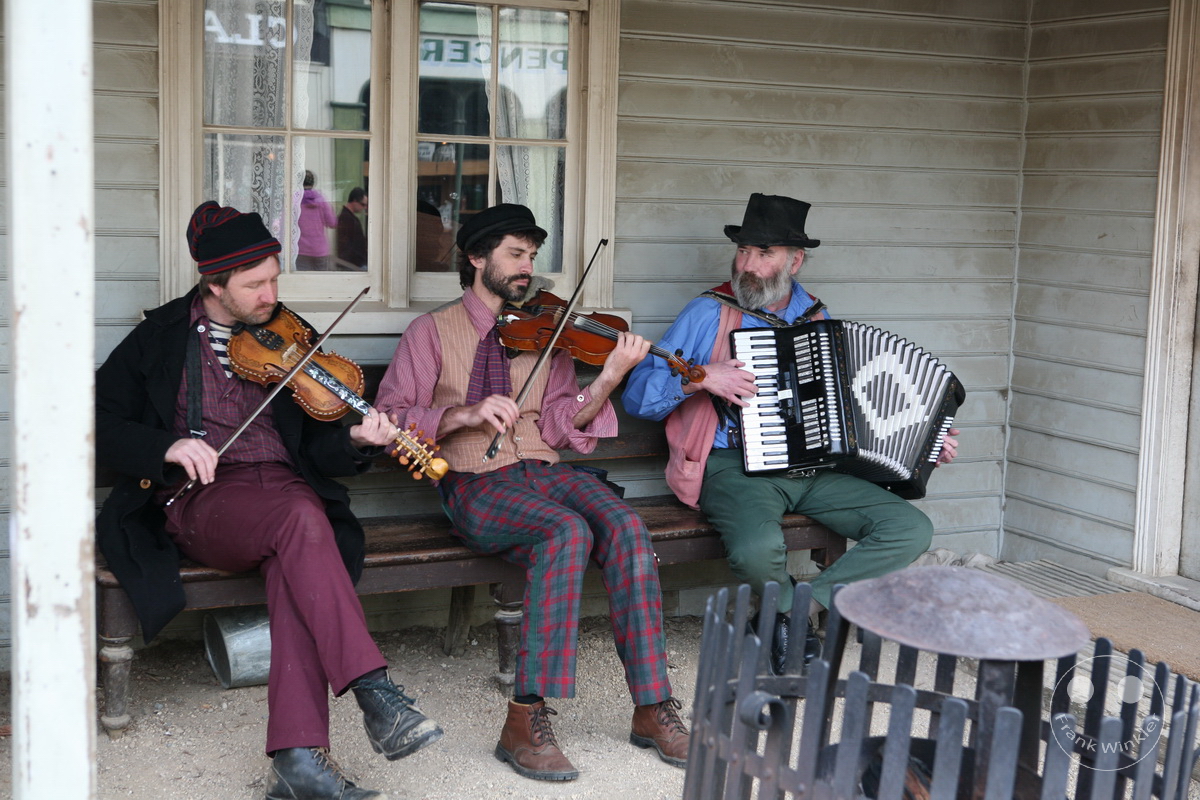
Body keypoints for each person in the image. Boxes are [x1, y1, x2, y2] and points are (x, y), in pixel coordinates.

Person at [96, 201, 444, 800]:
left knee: (296, 556)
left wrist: (356, 441)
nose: (270, 295)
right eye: (254, 284)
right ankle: (373, 690)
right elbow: (99, 421)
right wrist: (168, 445)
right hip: (204, 503)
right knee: (302, 520)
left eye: (275, 279)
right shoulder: (158, 340)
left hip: (287, 499)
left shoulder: (290, 336)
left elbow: (317, 448)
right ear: (214, 284)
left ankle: (297, 764)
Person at [374, 203, 690, 782]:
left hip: (544, 472)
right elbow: (390, 418)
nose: (528, 266)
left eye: (533, 255)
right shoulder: (431, 332)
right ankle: (524, 718)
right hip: (475, 482)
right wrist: (463, 413)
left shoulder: (546, 331)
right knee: (564, 532)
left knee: (626, 527)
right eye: (516, 254)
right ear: (477, 258)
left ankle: (652, 706)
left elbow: (560, 426)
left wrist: (609, 377)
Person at [622, 193, 960, 674]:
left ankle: (792, 615)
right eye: (743, 251)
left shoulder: (818, 318)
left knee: (910, 529)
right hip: (733, 466)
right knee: (756, 551)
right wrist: (700, 378)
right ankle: (791, 621)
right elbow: (638, 397)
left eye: (764, 253)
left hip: (813, 468)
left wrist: (924, 441)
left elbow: (855, 408)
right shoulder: (708, 312)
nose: (747, 265)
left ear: (794, 261)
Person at [296, 170, 337, 271]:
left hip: (301, 250)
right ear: (313, 183)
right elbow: (332, 223)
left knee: (303, 279)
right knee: (321, 279)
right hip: (320, 250)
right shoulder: (321, 199)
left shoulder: (294, 200)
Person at [336, 187, 369, 270]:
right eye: (363, 204)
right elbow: (348, 245)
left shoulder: (348, 217)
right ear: (354, 201)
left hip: (354, 263)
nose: (364, 208)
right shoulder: (347, 218)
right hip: (353, 264)